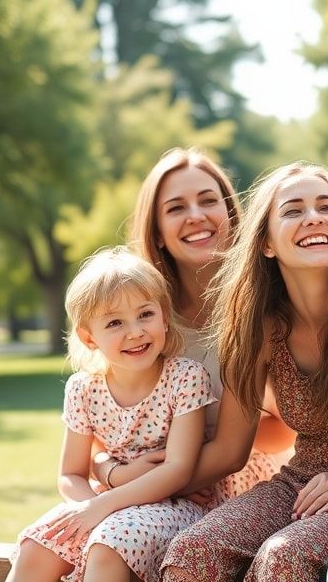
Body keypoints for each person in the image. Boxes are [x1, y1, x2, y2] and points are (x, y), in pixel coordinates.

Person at [160, 163, 328, 582]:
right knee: (193, 553)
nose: (314, 217)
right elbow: (229, 448)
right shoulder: (260, 327)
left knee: (285, 557)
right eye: (293, 210)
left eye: (326, 206)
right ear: (266, 242)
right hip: (302, 482)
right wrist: (137, 489)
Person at [91, 148, 292, 504]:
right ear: (156, 233)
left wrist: (188, 460)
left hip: (235, 483)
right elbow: (97, 431)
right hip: (139, 484)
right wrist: (112, 474)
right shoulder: (140, 318)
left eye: (207, 201)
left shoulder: (261, 313)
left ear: (230, 215)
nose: (196, 216)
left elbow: (282, 432)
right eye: (176, 208)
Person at [6, 247, 215, 582]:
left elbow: (178, 470)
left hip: (177, 506)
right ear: (89, 337)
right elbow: (70, 474)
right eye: (115, 322)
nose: (135, 332)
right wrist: (89, 508)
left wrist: (102, 507)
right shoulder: (83, 388)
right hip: (107, 504)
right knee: (37, 543)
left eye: (145, 314)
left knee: (107, 543)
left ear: (164, 316)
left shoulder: (185, 377)